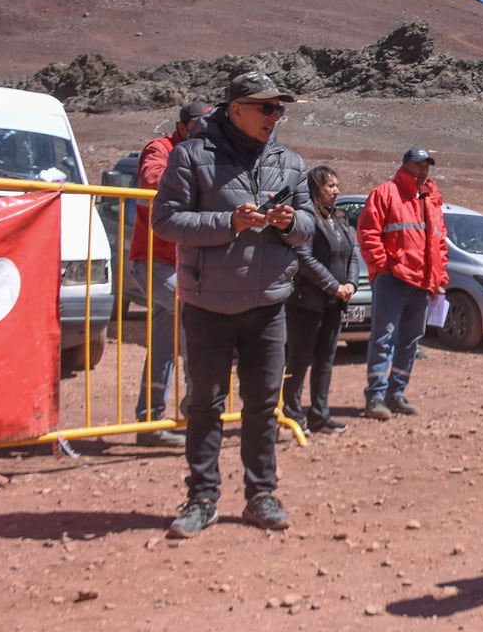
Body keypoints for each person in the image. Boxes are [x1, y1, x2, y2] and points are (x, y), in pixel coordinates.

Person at [152, 71, 313, 538]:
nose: (275, 116)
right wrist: (230, 222)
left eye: (279, 108)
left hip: (268, 305)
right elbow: (166, 220)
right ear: (237, 107)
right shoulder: (191, 155)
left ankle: (260, 495)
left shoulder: (289, 161)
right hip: (208, 304)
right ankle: (202, 498)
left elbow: (306, 226)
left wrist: (288, 223)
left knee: (263, 405)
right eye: (266, 107)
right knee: (205, 403)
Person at [128, 99, 211, 447]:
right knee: (195, 314)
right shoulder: (160, 148)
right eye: (200, 127)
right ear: (184, 126)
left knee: (164, 343)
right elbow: (152, 180)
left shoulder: (204, 153)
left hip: (182, 262)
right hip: (153, 261)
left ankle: (149, 421)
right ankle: (197, 404)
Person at [356, 147, 449, 420]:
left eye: (427, 165)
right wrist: (383, 265)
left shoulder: (431, 199)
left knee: (410, 341)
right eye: (418, 164)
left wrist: (440, 278)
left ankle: (396, 394)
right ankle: (375, 397)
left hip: (422, 282)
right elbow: (368, 232)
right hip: (392, 279)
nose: (423, 169)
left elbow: (439, 242)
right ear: (406, 165)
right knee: (383, 338)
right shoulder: (385, 193)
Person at [281, 166, 359, 436]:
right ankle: (291, 415)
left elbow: (351, 255)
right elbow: (304, 258)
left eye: (337, 185)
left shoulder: (339, 217)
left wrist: (350, 284)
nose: (336, 190)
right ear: (316, 189)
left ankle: (319, 415)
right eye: (330, 186)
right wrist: (333, 286)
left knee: (326, 359)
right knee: (299, 359)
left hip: (334, 304)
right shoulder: (307, 219)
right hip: (307, 302)